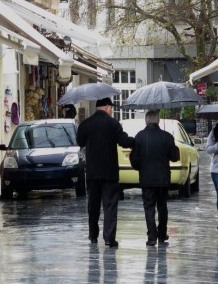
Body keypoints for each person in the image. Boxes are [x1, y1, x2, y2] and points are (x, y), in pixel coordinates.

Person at [76, 97, 135, 247]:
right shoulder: (113, 123)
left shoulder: (86, 124)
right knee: (110, 205)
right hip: (109, 172)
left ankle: (93, 236)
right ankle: (109, 238)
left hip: (92, 172)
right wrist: (137, 140)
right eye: (111, 108)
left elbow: (79, 141)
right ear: (107, 107)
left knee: (93, 205)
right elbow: (124, 141)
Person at [129, 110, 180, 246]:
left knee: (149, 207)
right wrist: (173, 146)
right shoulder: (167, 136)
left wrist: (140, 168)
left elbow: (134, 159)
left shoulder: (139, 136)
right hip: (163, 179)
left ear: (146, 121)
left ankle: (152, 236)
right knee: (162, 206)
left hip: (146, 178)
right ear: (157, 121)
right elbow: (175, 157)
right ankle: (162, 234)